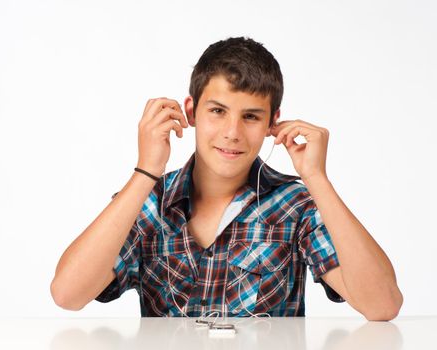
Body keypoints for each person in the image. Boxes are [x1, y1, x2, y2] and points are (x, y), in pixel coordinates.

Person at [50, 36, 403, 321]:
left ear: (271, 123)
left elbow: (382, 306)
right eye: (218, 111)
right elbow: (68, 294)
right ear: (191, 111)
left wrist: (316, 178)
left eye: (250, 116)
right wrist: (146, 171)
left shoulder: (295, 205)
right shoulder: (150, 201)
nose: (232, 132)